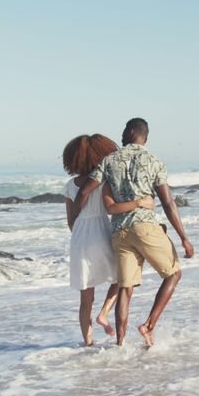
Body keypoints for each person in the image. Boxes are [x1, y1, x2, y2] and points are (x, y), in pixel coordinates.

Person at [76, 118, 194, 347]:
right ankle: (148, 326)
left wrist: (77, 223)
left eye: (123, 130)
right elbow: (168, 202)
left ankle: (121, 344)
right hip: (144, 227)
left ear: (131, 131)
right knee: (173, 274)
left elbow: (84, 191)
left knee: (125, 287)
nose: (120, 135)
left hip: (119, 231)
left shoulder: (109, 160)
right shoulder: (154, 161)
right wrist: (183, 238)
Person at [63, 134, 156, 346]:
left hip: (79, 238)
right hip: (102, 232)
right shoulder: (103, 180)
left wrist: (80, 233)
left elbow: (71, 221)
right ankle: (104, 312)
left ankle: (88, 342)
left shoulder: (70, 185)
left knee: (85, 299)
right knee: (120, 278)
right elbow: (112, 207)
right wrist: (140, 202)